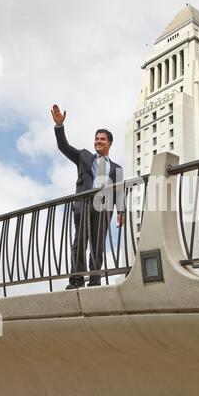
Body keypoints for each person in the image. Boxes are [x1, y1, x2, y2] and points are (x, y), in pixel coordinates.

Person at [51, 104, 124, 289]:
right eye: (96, 138)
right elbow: (64, 147)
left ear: (110, 143)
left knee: (97, 246)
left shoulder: (117, 168)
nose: (98, 141)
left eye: (102, 139)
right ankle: (76, 280)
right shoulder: (84, 156)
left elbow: (119, 192)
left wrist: (121, 211)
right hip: (83, 205)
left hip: (103, 208)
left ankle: (94, 281)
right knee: (79, 243)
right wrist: (59, 126)